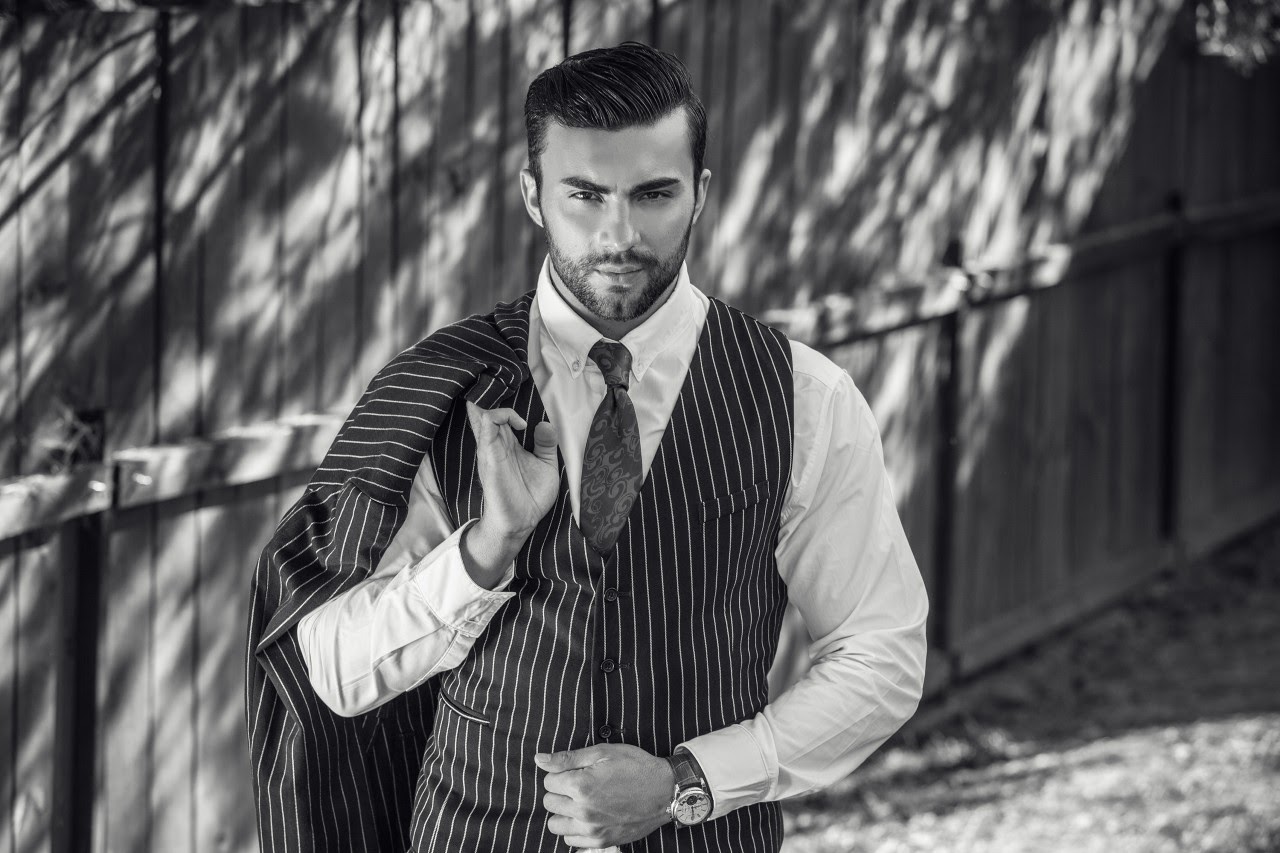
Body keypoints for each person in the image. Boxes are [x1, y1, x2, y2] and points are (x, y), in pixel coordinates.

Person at [246, 41, 927, 853]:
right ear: (533, 195)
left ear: (701, 194)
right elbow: (334, 666)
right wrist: (484, 549)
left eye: (654, 194)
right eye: (587, 194)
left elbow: (880, 652)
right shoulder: (440, 386)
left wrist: (689, 780)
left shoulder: (801, 397)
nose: (620, 233)